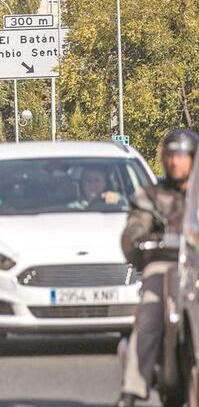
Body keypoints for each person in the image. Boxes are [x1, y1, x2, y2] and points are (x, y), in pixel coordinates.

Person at [115, 128, 196, 407]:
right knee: (149, 313)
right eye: (172, 156)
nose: (176, 162)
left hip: (196, 266)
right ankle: (132, 388)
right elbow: (135, 225)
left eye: (183, 156)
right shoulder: (152, 195)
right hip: (164, 264)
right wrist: (137, 239)